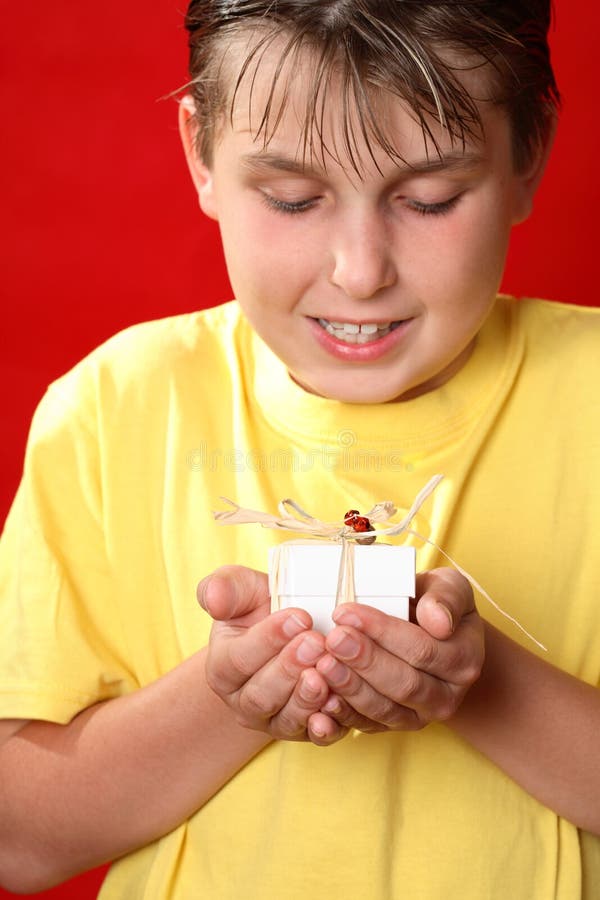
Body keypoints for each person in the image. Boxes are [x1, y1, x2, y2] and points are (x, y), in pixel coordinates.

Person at [1, 1, 599, 897]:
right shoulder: (113, 410)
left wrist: (477, 685)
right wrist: (227, 697)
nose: (360, 271)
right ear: (201, 152)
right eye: (292, 197)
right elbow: (17, 841)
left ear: (530, 153)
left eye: (429, 199)